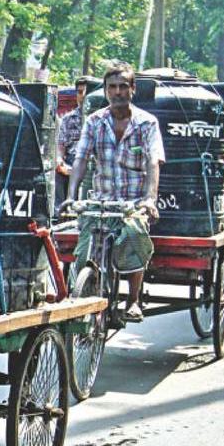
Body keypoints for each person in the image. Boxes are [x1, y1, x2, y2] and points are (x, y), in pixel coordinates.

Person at [65, 63, 165, 322]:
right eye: (112, 87)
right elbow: (80, 159)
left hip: (133, 203)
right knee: (83, 248)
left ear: (132, 89)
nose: (117, 92)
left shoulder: (146, 123)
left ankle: (133, 299)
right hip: (101, 201)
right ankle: (85, 290)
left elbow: (153, 162)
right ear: (106, 91)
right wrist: (71, 196)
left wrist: (149, 199)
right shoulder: (94, 122)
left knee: (134, 235)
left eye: (123, 86)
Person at [55, 76, 95, 207]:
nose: (82, 96)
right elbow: (61, 145)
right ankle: (59, 211)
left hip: (93, 162)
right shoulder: (68, 119)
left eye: (86, 92)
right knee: (55, 174)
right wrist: (59, 160)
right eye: (79, 92)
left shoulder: (100, 118)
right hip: (72, 160)